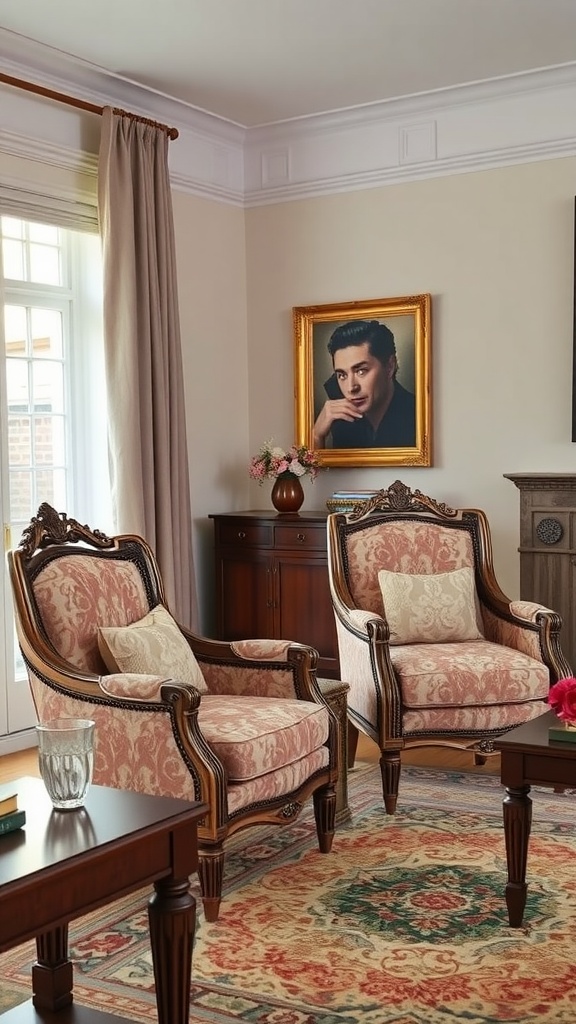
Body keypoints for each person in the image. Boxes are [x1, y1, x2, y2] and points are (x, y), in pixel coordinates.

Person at [312, 319, 416, 449]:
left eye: (361, 371)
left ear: (389, 367)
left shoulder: (417, 416)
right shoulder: (339, 419)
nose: (351, 388)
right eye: (342, 375)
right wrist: (316, 436)